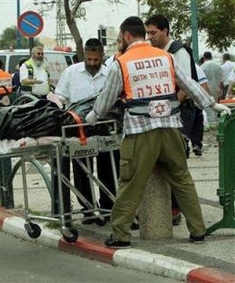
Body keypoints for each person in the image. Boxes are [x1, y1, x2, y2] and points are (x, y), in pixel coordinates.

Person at [85, 16, 230, 249]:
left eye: (121, 37)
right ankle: (198, 231)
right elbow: (189, 84)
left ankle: (120, 235)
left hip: (140, 132)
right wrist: (212, 104)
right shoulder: (166, 57)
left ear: (126, 36)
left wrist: (91, 117)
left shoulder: (121, 63)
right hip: (171, 129)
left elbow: (105, 101)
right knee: (182, 180)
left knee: (131, 182)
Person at [54, 38, 121, 225]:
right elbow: (60, 97)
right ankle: (88, 208)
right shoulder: (71, 73)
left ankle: (108, 208)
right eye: (89, 59)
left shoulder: (111, 73)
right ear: (84, 55)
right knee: (82, 171)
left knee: (108, 168)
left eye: (96, 60)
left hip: (105, 128)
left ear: (102, 56)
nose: (92, 63)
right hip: (78, 129)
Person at [145, 14, 203, 226]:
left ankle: (177, 208)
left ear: (166, 31)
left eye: (154, 32)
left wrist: (170, 108)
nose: (150, 37)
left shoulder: (178, 52)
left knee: (175, 159)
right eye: (148, 33)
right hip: (165, 112)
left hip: (180, 111)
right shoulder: (156, 53)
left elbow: (185, 87)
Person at [200, 51, 223, 125]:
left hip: (207, 90)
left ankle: (212, 123)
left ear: (204, 57)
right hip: (216, 88)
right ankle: (216, 121)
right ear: (211, 57)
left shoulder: (202, 67)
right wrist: (220, 89)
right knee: (216, 106)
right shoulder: (218, 66)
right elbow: (221, 79)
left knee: (208, 107)